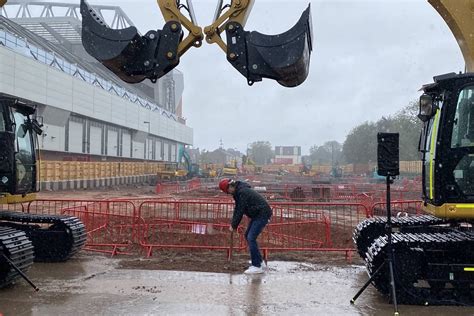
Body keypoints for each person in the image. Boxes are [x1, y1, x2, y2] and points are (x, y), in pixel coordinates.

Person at [219, 178, 273, 274]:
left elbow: (240, 210)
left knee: (251, 237)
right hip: (258, 214)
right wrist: (233, 224)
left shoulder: (242, 192)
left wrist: (234, 225)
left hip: (262, 214)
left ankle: (257, 266)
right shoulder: (239, 192)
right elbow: (237, 209)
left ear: (230, 187)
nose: (229, 193)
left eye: (227, 191)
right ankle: (260, 261)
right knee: (248, 235)